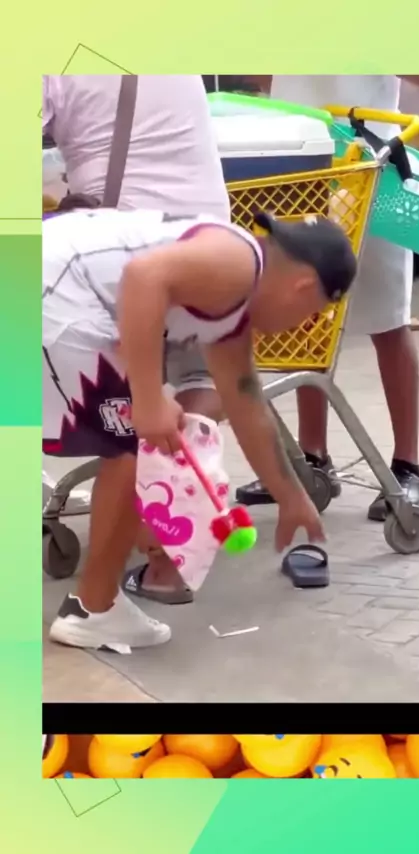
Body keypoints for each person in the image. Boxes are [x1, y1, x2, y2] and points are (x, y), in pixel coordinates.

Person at [43, 206, 357, 651]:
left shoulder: (232, 311)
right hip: (54, 288)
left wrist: (291, 497)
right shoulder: (239, 262)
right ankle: (94, 609)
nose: (304, 325)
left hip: (49, 279)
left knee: (136, 439)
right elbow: (144, 277)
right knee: (139, 443)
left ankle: (97, 605)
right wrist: (148, 397)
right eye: (314, 312)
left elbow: (245, 401)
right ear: (303, 288)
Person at [42, 74, 230, 602]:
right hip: (205, 239)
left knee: (126, 424)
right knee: (200, 380)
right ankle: (171, 541)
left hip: (115, 252)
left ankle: (109, 590)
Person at [237, 75, 419, 520]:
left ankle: (407, 466)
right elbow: (259, 72)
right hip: (296, 150)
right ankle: (312, 458)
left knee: (389, 316)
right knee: (306, 319)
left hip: (370, 155)